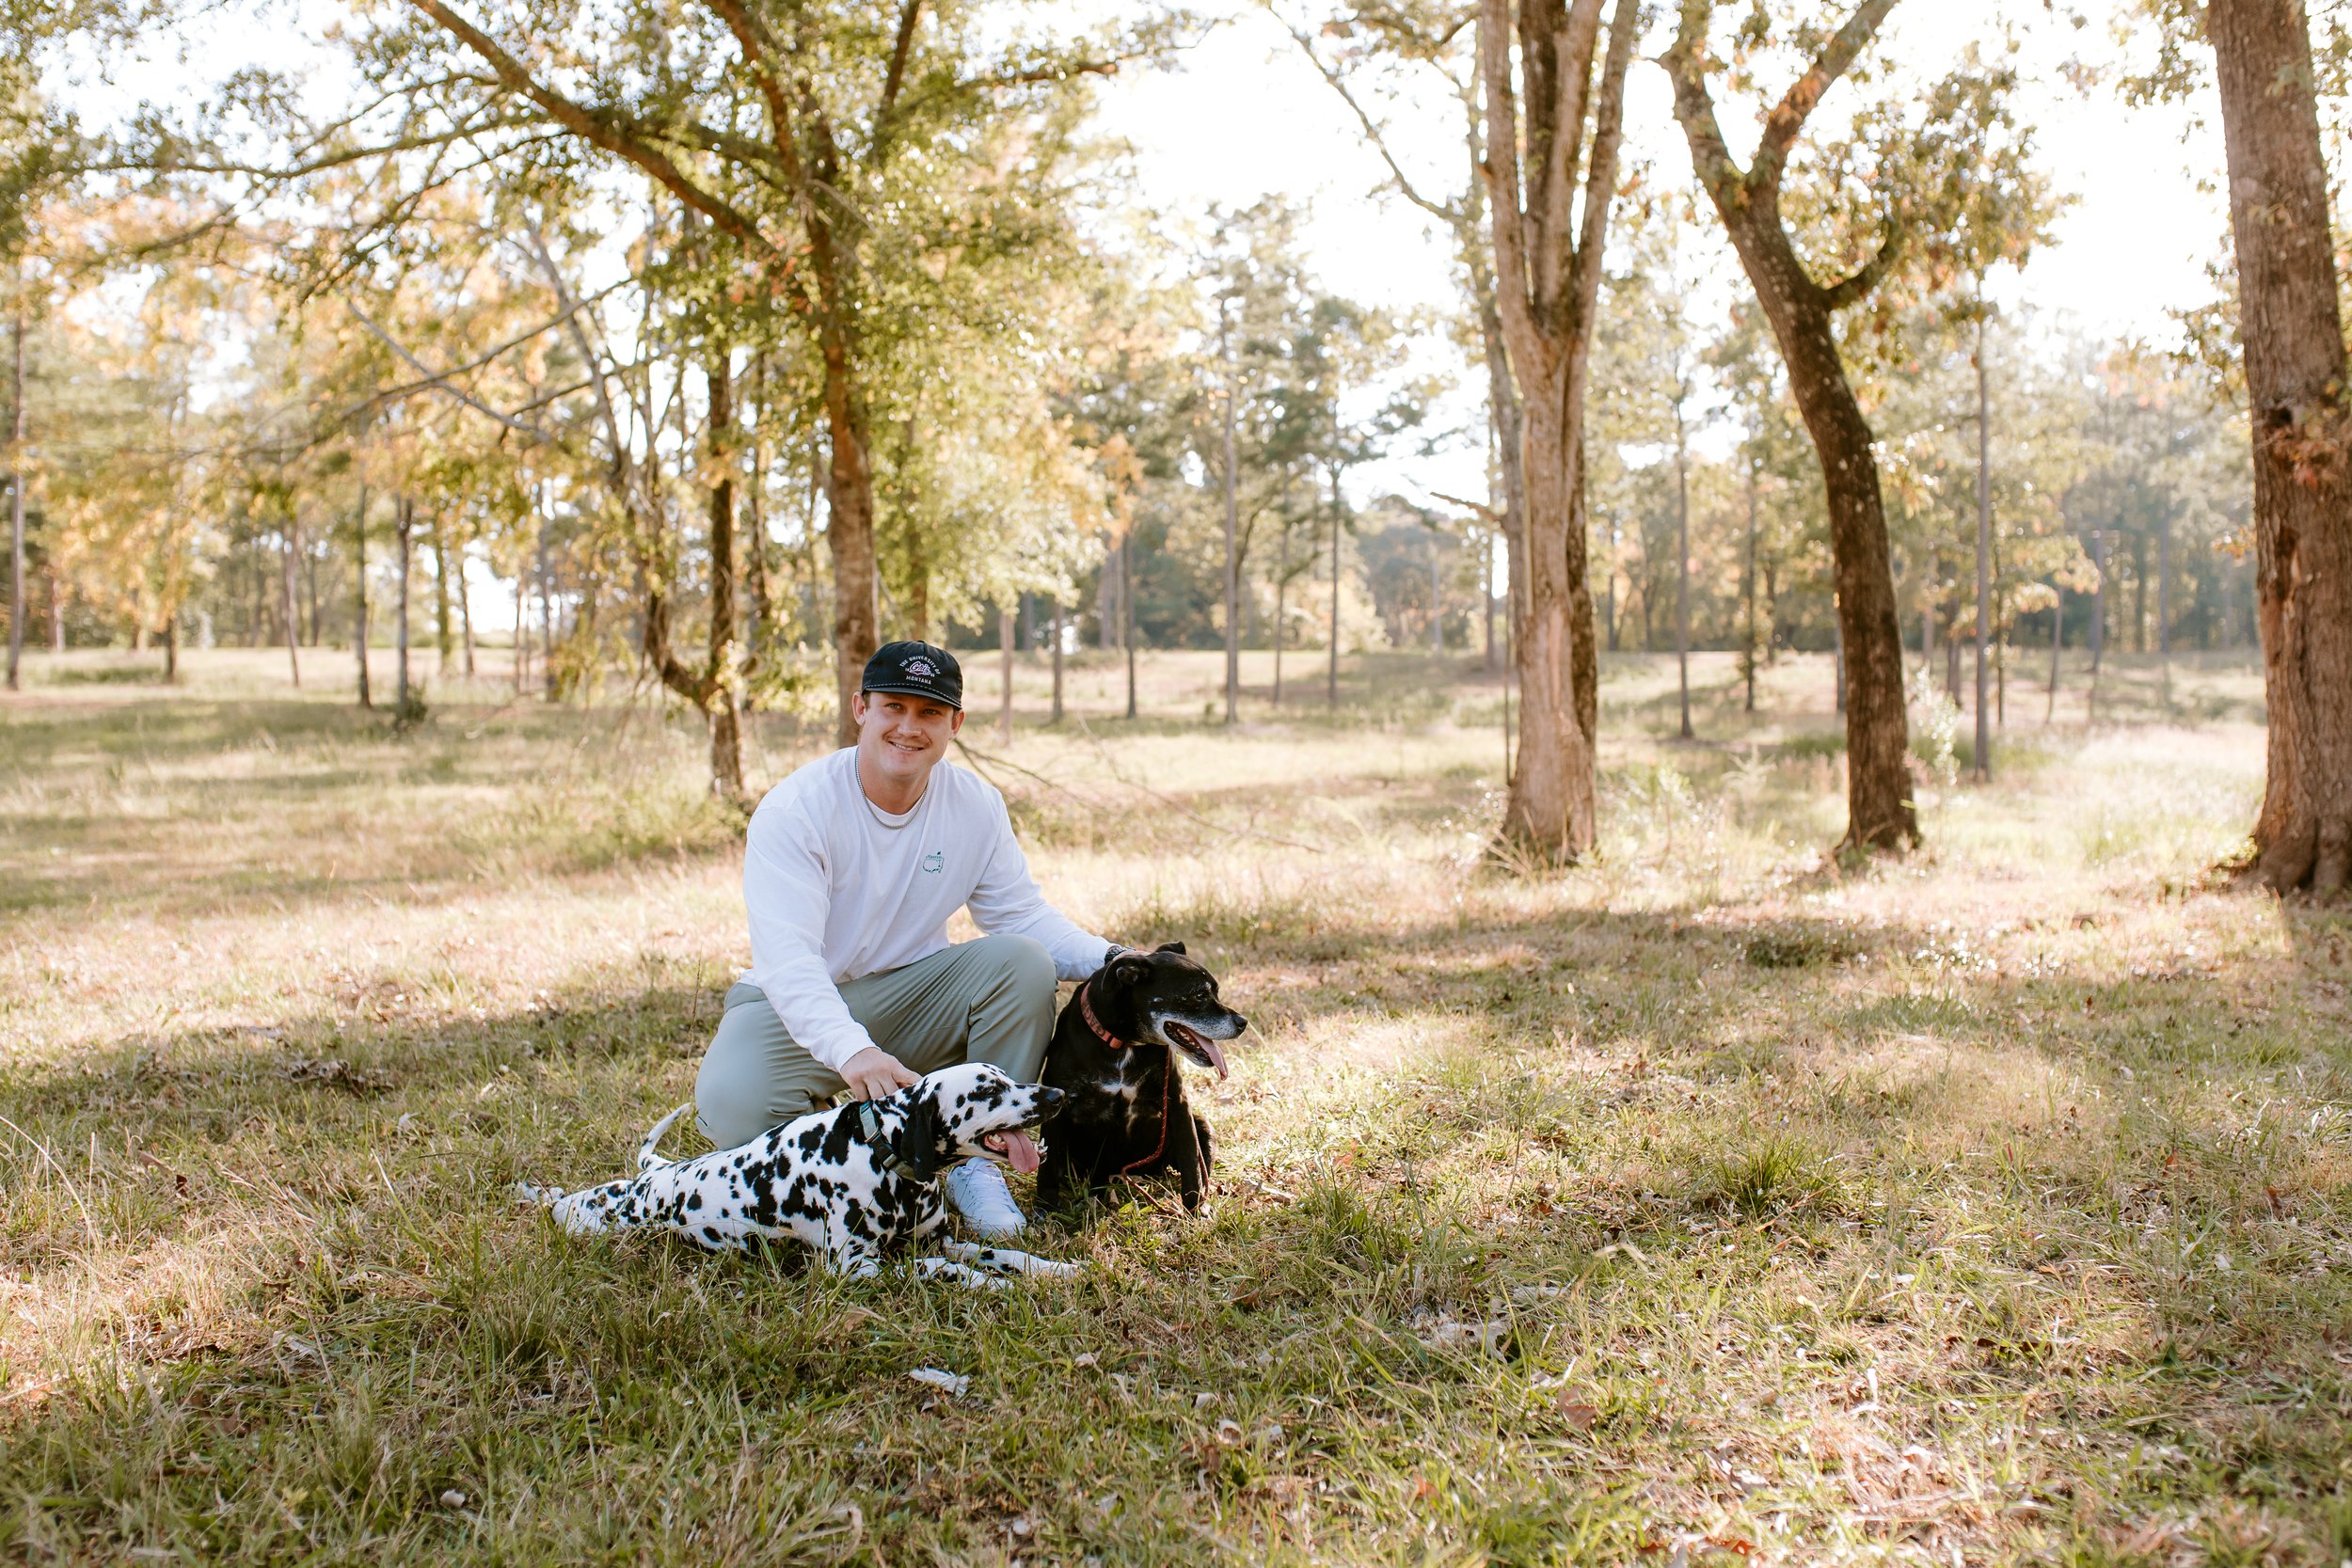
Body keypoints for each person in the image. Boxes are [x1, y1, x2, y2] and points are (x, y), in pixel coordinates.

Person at [692, 639, 1119, 1238]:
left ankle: (977, 1162)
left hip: (912, 997)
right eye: (893, 706)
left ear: (955, 724)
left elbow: (1020, 917)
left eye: (929, 714)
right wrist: (851, 1051)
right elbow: (789, 961)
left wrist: (1117, 958)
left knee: (1023, 963)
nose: (909, 728)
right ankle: (863, 1157)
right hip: (794, 1002)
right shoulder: (796, 809)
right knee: (733, 1109)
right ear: (860, 708)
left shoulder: (975, 804)